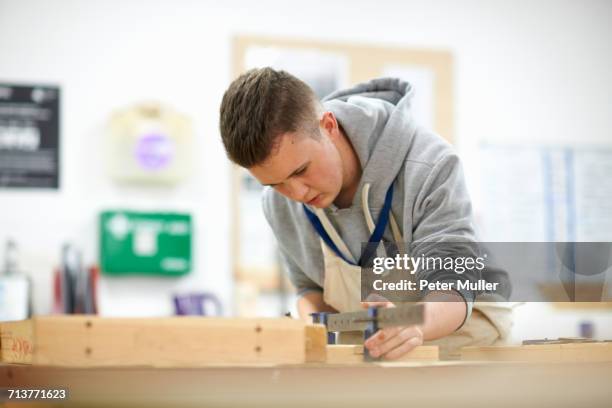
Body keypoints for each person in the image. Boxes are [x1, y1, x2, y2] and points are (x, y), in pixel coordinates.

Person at [219, 67, 512, 360]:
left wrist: (411, 322)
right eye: (275, 183)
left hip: (465, 354)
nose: (297, 194)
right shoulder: (277, 204)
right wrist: (310, 325)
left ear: (329, 126)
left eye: (301, 171)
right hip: (368, 365)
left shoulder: (429, 165)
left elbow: (453, 286)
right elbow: (309, 288)